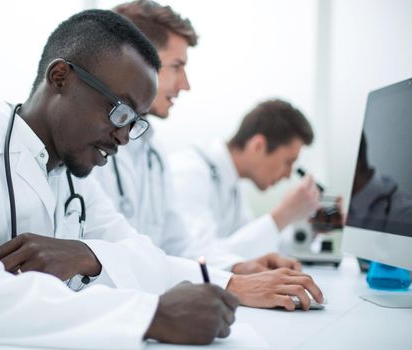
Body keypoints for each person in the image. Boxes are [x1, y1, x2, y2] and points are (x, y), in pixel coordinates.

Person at [0, 10, 240, 348]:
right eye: (120, 113)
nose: (124, 137)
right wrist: (150, 316)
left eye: (134, 122)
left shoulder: (74, 175)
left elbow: (146, 256)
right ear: (60, 78)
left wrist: (88, 254)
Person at [92, 0, 324, 296]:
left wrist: (238, 269)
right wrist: (234, 279)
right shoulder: (93, 150)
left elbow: (183, 248)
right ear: (134, 63)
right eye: (177, 66)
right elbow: (112, 260)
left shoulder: (154, 155)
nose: (186, 85)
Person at [171, 99, 321, 259]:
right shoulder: (190, 173)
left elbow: (252, 248)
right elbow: (199, 257)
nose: (288, 175)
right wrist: (282, 215)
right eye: (288, 162)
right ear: (258, 146)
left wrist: (312, 227)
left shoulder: (234, 183)